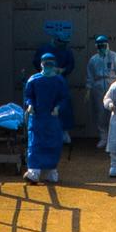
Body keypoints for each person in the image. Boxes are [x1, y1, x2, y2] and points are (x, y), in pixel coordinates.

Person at [23, 53, 70, 185]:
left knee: (53, 144)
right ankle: (34, 172)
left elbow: (64, 98)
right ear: (41, 64)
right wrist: (30, 105)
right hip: (37, 117)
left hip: (52, 118)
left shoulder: (59, 81)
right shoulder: (34, 80)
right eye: (46, 63)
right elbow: (29, 96)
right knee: (35, 143)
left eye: (50, 64)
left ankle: (51, 172)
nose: (48, 66)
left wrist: (58, 107)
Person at [32, 32, 75, 143]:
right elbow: (36, 62)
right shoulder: (44, 49)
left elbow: (71, 64)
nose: (64, 45)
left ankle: (64, 132)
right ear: (56, 40)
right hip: (45, 81)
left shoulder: (67, 51)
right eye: (62, 43)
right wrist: (47, 71)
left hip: (60, 80)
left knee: (64, 105)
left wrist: (63, 70)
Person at [85, 35, 116, 149]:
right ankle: (104, 137)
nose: (102, 47)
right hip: (98, 86)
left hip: (112, 84)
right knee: (101, 112)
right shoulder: (93, 59)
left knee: (113, 111)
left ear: (107, 45)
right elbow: (90, 76)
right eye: (99, 45)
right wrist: (88, 90)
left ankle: (114, 138)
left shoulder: (114, 56)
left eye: (104, 45)